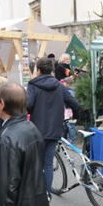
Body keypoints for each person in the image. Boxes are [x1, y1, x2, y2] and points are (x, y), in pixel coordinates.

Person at [27, 57, 81, 196]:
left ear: (38, 70)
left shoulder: (33, 85)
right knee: (48, 164)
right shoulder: (59, 86)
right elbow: (73, 102)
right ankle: (47, 193)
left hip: (37, 130)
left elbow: (28, 105)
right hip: (55, 129)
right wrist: (76, 114)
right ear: (51, 70)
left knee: (37, 164)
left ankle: (38, 194)